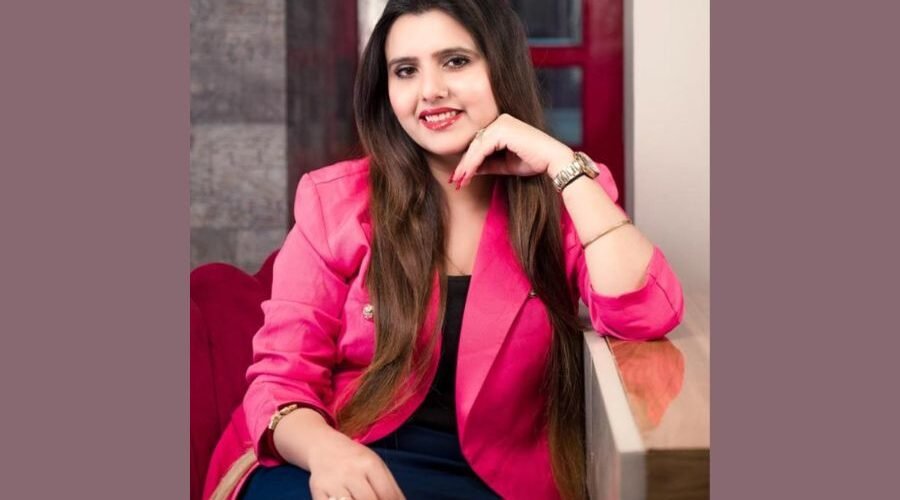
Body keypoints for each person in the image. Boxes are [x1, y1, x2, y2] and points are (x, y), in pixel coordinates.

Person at [214, 1, 684, 499]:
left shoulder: (566, 193)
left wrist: (559, 162)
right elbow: (280, 379)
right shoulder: (334, 201)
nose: (430, 90)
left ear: (501, 67)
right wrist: (328, 453)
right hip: (345, 457)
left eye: (455, 61)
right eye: (406, 70)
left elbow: (645, 314)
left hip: (498, 482)